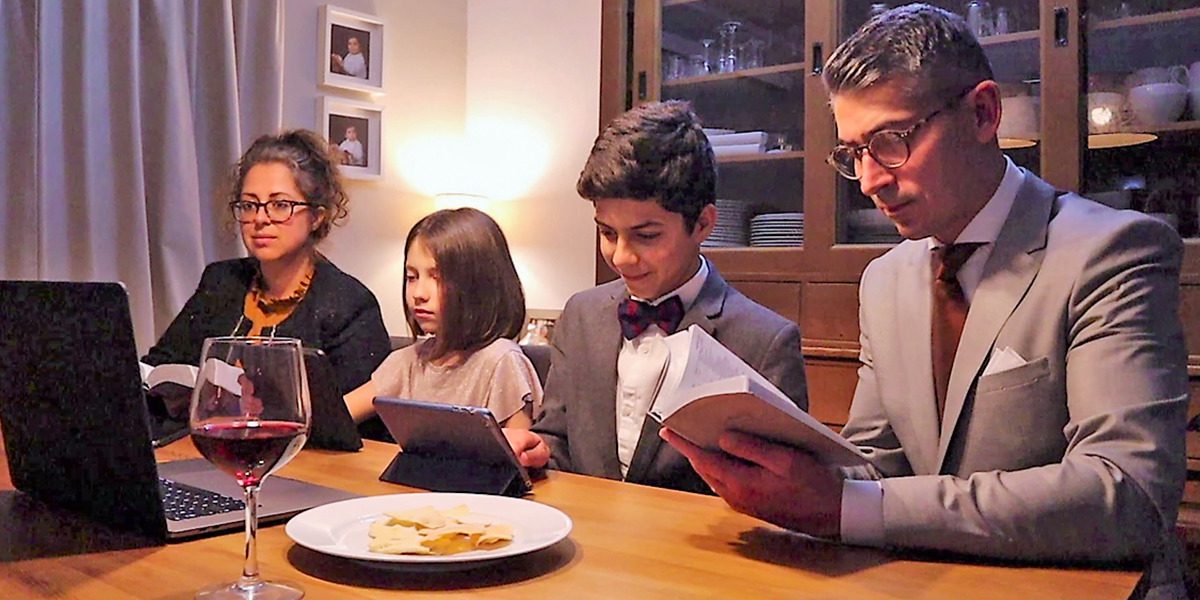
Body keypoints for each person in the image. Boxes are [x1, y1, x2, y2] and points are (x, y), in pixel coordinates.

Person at [662, 5, 1188, 597]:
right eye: (852, 153)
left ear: (984, 113)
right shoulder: (885, 279)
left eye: (890, 142)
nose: (868, 180)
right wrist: (779, 470)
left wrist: (844, 507)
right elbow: (877, 464)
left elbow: (1126, 494)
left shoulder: (1110, 252)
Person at [506, 100, 808, 494]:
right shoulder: (581, 314)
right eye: (608, 233)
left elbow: (783, 490)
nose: (621, 257)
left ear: (703, 224)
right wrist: (535, 448)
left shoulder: (765, 342)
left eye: (646, 236)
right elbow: (558, 439)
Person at [143, 129, 392, 431]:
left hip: (306, 466)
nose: (260, 219)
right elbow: (159, 366)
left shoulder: (349, 304)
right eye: (249, 205)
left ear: (317, 216)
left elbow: (349, 430)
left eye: (280, 205)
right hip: (211, 454)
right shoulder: (221, 281)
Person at [343, 207, 542, 431]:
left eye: (437, 278)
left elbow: (519, 456)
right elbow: (335, 419)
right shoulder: (408, 362)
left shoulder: (501, 361)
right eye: (412, 277)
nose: (419, 293)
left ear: (479, 285)